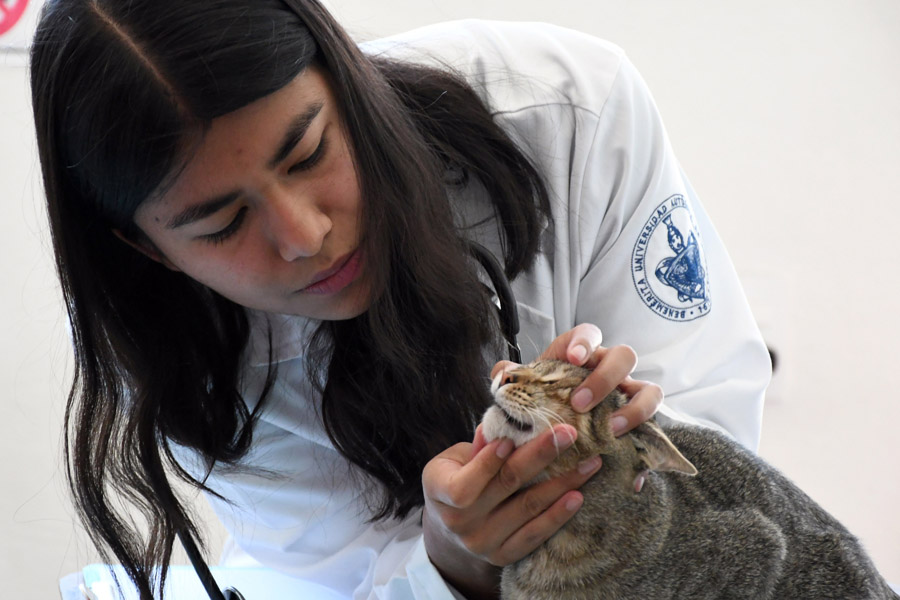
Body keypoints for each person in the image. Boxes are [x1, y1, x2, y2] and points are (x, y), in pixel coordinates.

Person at [30, 1, 771, 598]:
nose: (306, 233)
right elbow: (339, 574)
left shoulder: (566, 110)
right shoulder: (165, 352)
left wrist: (615, 448)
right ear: (149, 249)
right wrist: (453, 561)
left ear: (347, 77)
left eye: (311, 153)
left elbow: (713, 427)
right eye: (224, 224)